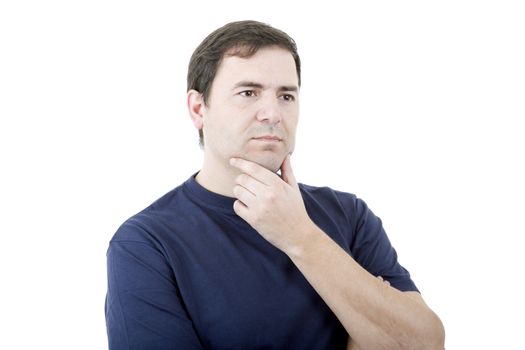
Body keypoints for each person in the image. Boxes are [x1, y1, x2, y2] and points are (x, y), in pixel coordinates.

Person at [105, 20, 445, 349]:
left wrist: (300, 237)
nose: (272, 113)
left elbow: (427, 345)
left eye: (286, 96)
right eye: (248, 92)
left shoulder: (349, 215)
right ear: (198, 108)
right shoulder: (145, 243)